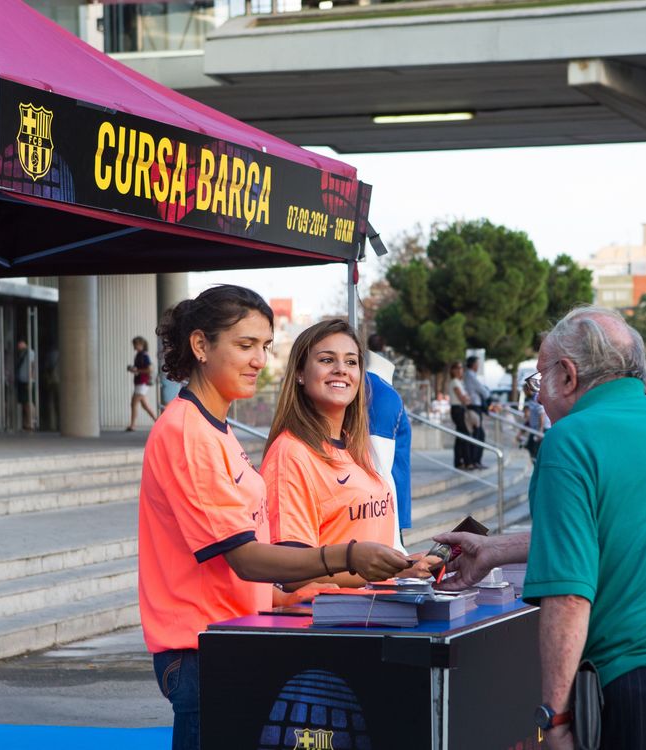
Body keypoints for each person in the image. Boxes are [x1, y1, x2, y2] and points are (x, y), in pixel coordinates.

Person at [436, 306, 646, 749]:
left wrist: (555, 719)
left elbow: (569, 596)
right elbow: (628, 532)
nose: (538, 398)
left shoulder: (570, 440)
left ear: (568, 376)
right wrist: (496, 550)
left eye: (539, 380)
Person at [136, 286, 413, 750]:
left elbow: (248, 567)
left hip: (234, 639)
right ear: (201, 345)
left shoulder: (215, 429)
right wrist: (348, 556)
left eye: (264, 346)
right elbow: (246, 559)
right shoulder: (187, 432)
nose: (259, 360)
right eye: (245, 345)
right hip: (202, 649)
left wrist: (391, 570)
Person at [262, 320, 431, 591]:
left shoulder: (355, 445)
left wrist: (407, 564)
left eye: (351, 362)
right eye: (327, 360)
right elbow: (292, 574)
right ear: (300, 373)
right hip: (329, 615)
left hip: (377, 609)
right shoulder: (291, 454)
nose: (341, 369)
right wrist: (391, 570)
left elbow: (368, 548)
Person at [364, 333, 412, 541]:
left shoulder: (376, 388)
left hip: (383, 507)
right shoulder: (380, 393)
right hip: (383, 510)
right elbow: (379, 467)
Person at [461, 356, 491, 469]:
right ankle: (474, 461)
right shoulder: (470, 375)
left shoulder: (469, 375)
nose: (478, 366)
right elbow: (483, 391)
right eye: (477, 364)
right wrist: (488, 395)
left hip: (474, 407)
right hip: (473, 407)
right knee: (478, 435)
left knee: (478, 435)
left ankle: (475, 461)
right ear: (473, 364)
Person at [446, 361, 476, 469]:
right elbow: (463, 398)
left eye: (461, 368)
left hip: (461, 409)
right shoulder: (454, 382)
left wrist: (467, 399)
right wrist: (466, 399)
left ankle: (459, 461)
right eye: (457, 368)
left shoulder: (459, 382)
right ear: (453, 370)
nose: (460, 370)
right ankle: (467, 462)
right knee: (464, 435)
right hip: (457, 409)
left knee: (460, 436)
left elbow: (467, 398)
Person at [127, 335, 158, 431]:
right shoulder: (138, 355)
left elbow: (149, 369)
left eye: (135, 344)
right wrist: (134, 369)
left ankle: (132, 425)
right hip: (139, 382)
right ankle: (158, 421)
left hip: (143, 383)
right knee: (145, 406)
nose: (134, 346)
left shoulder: (144, 356)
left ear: (141, 344)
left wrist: (137, 370)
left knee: (133, 403)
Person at [14, 339, 35, 431]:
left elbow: (32, 366)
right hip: (22, 380)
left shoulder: (29, 353)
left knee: (28, 402)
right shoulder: (22, 353)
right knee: (24, 402)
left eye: (20, 344)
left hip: (27, 381)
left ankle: (31, 422)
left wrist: (30, 379)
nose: (19, 346)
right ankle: (27, 422)